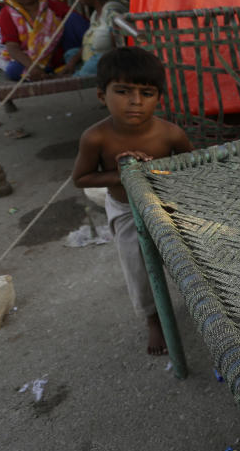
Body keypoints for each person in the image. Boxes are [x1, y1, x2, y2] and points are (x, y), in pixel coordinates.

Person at [72, 47, 193, 355]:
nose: (136, 101)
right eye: (123, 91)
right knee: (138, 268)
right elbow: (82, 179)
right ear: (102, 95)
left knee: (190, 257)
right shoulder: (96, 138)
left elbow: (192, 169)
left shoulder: (171, 134)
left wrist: (159, 174)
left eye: (146, 93)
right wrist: (123, 174)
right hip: (126, 209)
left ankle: (198, 301)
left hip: (167, 204)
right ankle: (153, 318)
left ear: (159, 98)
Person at [0, 0, 88, 81]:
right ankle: (46, 73)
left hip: (64, 54)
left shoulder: (54, 7)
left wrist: (73, 61)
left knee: (72, 18)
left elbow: (89, 36)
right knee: (13, 70)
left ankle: (64, 68)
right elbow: (12, 47)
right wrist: (32, 67)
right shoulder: (7, 14)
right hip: (33, 59)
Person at [64, 0, 128, 76]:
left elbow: (119, 51)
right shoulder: (95, 15)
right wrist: (73, 62)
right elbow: (88, 45)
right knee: (71, 54)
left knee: (96, 62)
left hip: (105, 68)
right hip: (92, 65)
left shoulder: (112, 13)